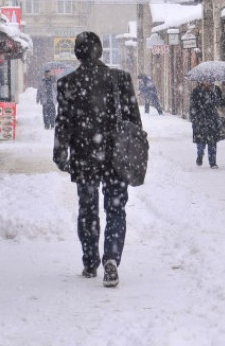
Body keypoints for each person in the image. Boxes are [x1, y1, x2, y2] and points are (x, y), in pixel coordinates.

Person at [53, 31, 142, 288]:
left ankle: (90, 260)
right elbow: (134, 122)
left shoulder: (68, 83)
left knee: (87, 209)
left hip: (84, 156)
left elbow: (63, 123)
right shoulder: (120, 79)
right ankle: (112, 257)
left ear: (77, 53)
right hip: (116, 156)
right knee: (115, 208)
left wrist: (61, 153)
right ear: (100, 51)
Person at [190, 81, 225, 169]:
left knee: (212, 142)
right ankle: (200, 154)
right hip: (200, 120)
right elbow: (192, 106)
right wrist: (194, 117)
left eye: (209, 80)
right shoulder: (196, 91)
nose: (208, 82)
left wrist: (219, 100)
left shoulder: (216, 90)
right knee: (200, 141)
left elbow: (223, 103)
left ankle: (213, 162)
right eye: (205, 80)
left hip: (212, 120)